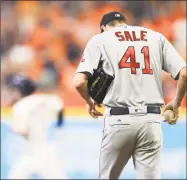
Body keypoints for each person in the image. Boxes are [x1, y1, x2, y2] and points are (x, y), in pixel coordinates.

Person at [73, 11, 186, 179]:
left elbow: (79, 82)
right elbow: (184, 74)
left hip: (119, 120)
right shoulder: (155, 37)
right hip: (151, 121)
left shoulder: (100, 39)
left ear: (103, 27)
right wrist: (176, 103)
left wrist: (90, 102)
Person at [7, 74, 66, 179]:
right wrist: (59, 123)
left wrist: (12, 128)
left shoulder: (20, 106)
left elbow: (23, 130)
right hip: (47, 150)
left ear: (20, 90)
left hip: (33, 152)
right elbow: (59, 104)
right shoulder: (45, 99)